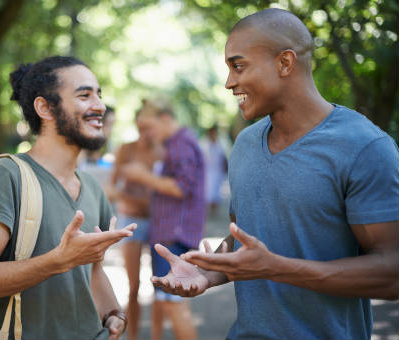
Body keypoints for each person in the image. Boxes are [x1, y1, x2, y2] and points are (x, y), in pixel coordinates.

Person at [151, 8, 399, 340]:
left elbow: (392, 274)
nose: (229, 83)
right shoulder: (246, 144)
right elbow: (248, 242)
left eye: (238, 66)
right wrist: (207, 271)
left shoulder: (365, 147)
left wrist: (277, 269)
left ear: (285, 63)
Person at [0, 56, 137, 339]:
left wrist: (113, 314)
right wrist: (58, 260)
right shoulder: (7, 175)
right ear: (44, 107)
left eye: (99, 94)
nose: (99, 106)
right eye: (84, 95)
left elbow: (92, 273)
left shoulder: (93, 188)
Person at [120, 98, 206, 340]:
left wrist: (142, 176)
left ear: (165, 119)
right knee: (172, 302)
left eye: (149, 127)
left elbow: (181, 187)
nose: (146, 134)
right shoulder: (177, 144)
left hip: (173, 236)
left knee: (174, 304)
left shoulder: (179, 145)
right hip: (170, 235)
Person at [105, 105, 163, 339]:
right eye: (141, 125)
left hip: (158, 221)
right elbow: (111, 189)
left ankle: (157, 335)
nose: (145, 131)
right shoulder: (125, 150)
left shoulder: (162, 151)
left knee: (161, 287)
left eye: (149, 126)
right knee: (134, 287)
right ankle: (133, 336)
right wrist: (135, 197)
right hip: (132, 221)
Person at [200, 125, 229, 215]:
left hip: (217, 171)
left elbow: (224, 157)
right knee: (208, 191)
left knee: (216, 192)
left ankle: (214, 209)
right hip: (207, 171)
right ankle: (206, 210)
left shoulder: (221, 144)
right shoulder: (203, 144)